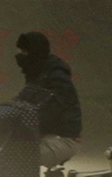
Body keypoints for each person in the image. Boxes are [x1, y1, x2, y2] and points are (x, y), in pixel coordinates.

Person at [13, 31, 82, 167]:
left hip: (63, 138)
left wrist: (23, 124)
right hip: (47, 135)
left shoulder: (56, 76)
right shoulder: (37, 75)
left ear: (35, 52)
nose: (22, 56)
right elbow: (19, 102)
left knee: (15, 158)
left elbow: (52, 108)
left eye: (25, 52)